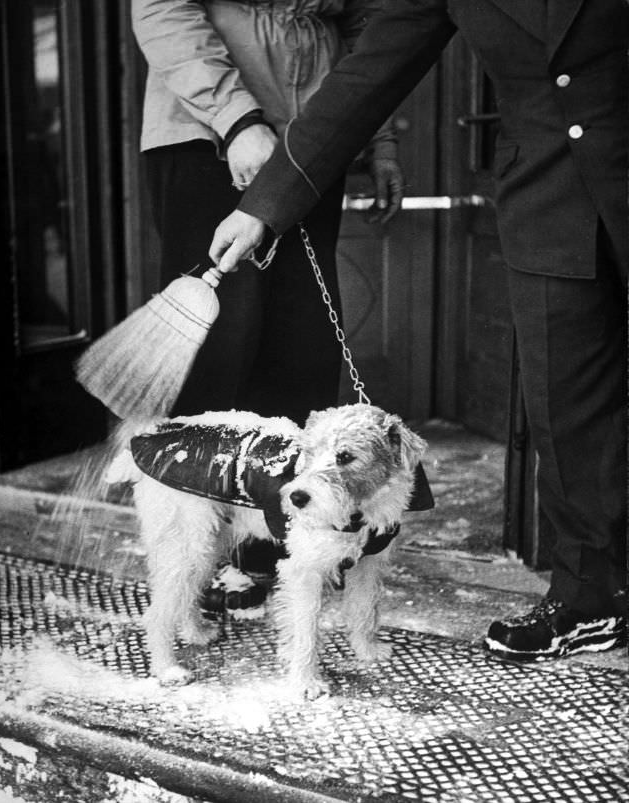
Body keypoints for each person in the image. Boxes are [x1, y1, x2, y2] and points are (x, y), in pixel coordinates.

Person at [209, 0, 628, 660]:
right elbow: (367, 76)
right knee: (566, 405)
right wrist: (265, 206)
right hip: (552, 202)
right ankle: (589, 599)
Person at [131, 0, 404, 610]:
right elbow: (161, 8)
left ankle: (273, 543)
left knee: (301, 350)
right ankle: (199, 548)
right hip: (208, 133)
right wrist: (236, 120)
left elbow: (368, 30)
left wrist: (377, 138)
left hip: (314, 142)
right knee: (222, 354)